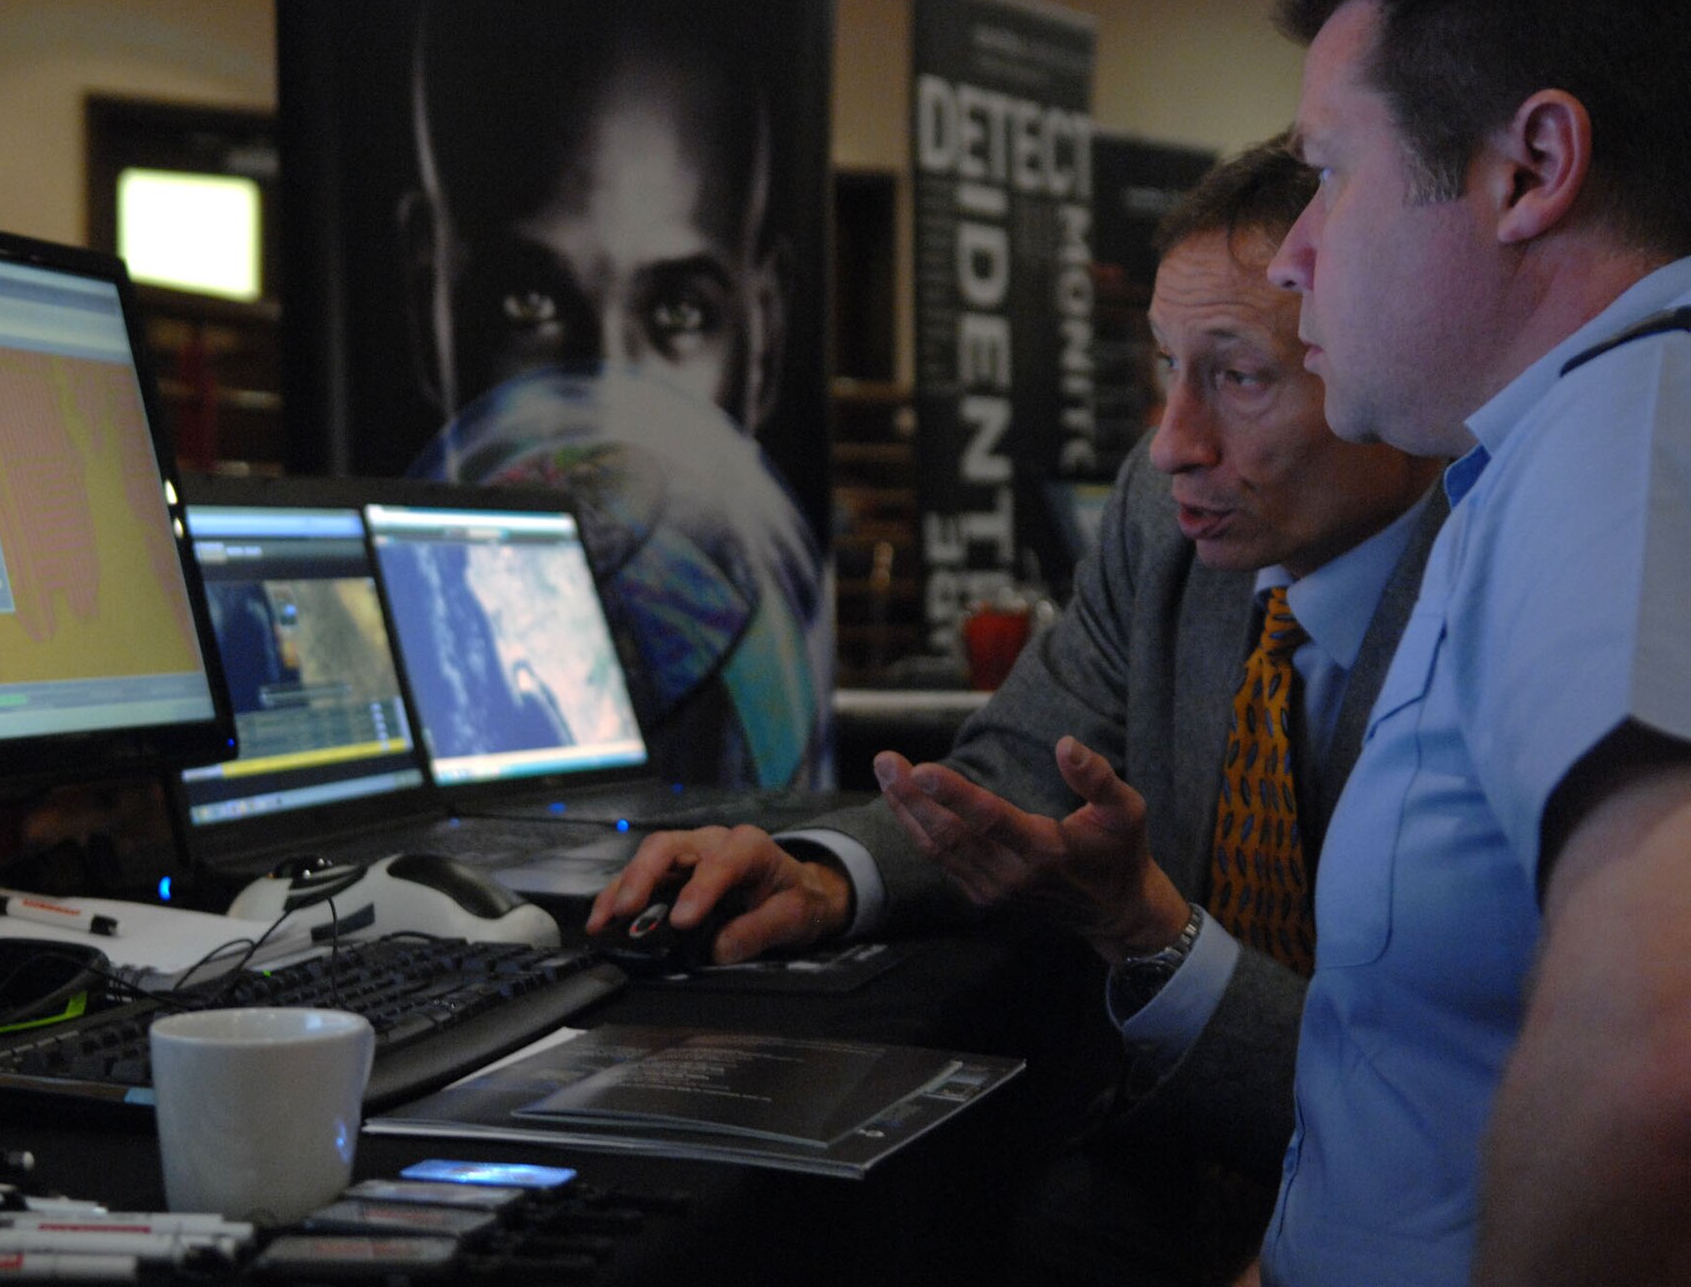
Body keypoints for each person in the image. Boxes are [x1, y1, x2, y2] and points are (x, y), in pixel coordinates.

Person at [590, 136, 1445, 1280]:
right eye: (1164, 367)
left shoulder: (1511, 589)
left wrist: (1149, 933)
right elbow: (1014, 767)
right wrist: (825, 874)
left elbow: (1446, 1104)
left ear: (1392, 362)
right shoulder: (1165, 513)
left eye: (1239, 376)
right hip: (1151, 1174)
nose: (1171, 444)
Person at [1193, 0, 1691, 1281]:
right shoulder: (1548, 446)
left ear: (1528, 169)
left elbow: (1656, 1068)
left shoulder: (1629, 428)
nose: (1294, 257)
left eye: (1328, 173)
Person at [396, 0, 830, 791]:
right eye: (530, 303)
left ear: (767, 334)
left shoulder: (761, 683)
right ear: (428, 301)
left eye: (679, 310)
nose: (608, 411)